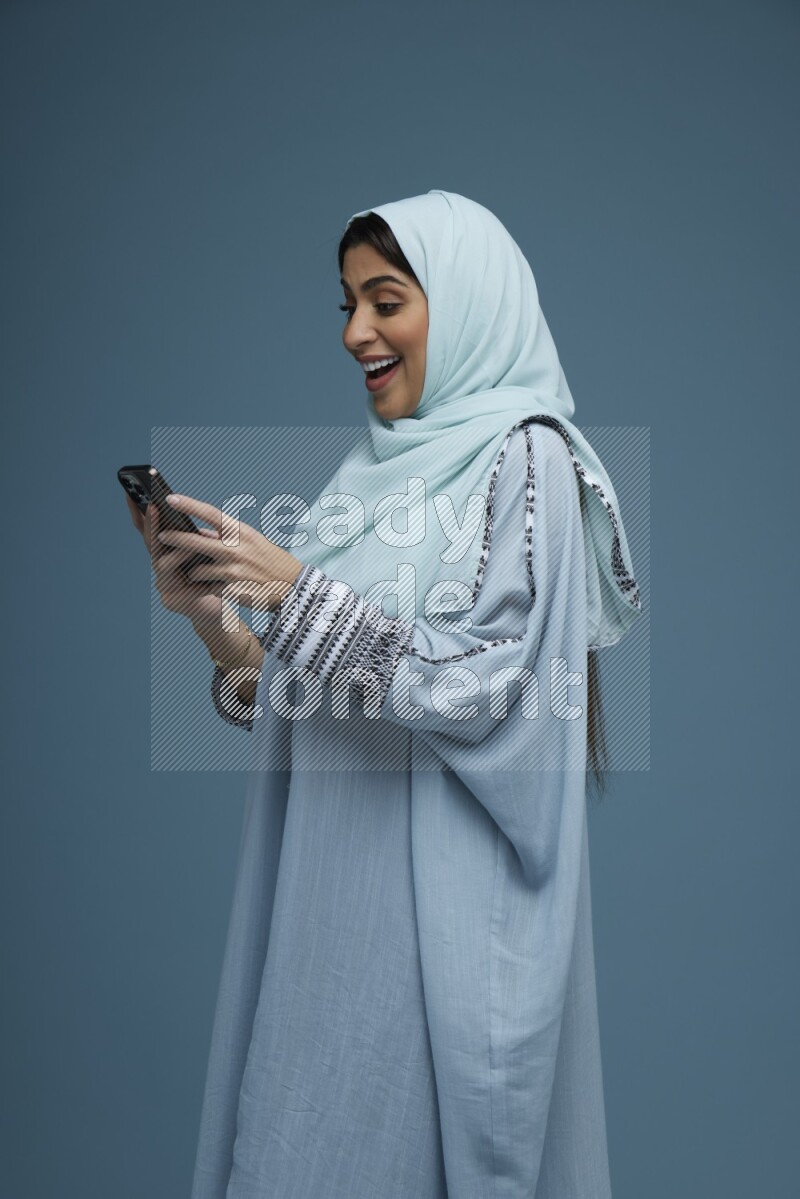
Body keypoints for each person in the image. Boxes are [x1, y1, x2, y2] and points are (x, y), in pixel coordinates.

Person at [126, 190, 644, 1197]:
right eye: (346, 304)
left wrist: (291, 588)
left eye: (385, 298)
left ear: (465, 307)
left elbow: (488, 685)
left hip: (431, 932)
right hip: (323, 923)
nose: (356, 331)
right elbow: (310, 694)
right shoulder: (375, 474)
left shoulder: (525, 454)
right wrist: (211, 614)